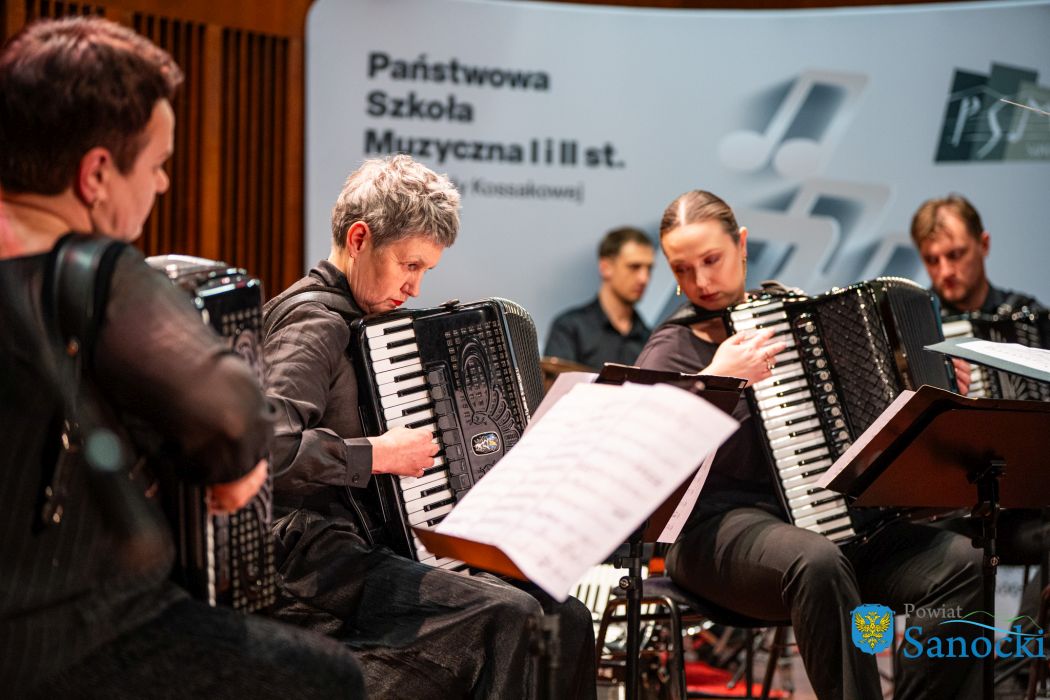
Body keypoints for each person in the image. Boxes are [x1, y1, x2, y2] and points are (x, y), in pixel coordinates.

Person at [0, 17, 364, 698]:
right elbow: (234, 417)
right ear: (97, 174)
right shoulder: (94, 269)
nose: (165, 184)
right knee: (328, 678)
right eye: (158, 164)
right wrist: (239, 466)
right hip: (64, 632)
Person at [261, 154, 595, 699]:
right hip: (310, 561)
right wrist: (377, 454)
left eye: (425, 271)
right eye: (409, 265)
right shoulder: (313, 322)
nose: (415, 288)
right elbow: (265, 448)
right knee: (511, 615)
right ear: (360, 238)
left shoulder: (373, 325)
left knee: (565, 617)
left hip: (371, 548)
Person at [636, 189, 983, 700]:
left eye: (711, 260)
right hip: (713, 534)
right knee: (815, 561)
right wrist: (716, 381)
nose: (701, 282)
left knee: (963, 563)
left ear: (742, 246)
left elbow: (865, 420)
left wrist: (932, 386)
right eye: (682, 270)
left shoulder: (794, 320)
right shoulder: (670, 349)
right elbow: (643, 461)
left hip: (828, 524)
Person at [911, 194, 1043, 316]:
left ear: (984, 245)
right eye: (932, 260)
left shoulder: (1027, 314)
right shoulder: (913, 320)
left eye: (955, 255)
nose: (945, 272)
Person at [544, 226, 654, 369]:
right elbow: (556, 382)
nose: (644, 278)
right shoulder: (570, 328)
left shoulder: (650, 340)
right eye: (634, 267)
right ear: (605, 267)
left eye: (649, 268)